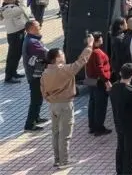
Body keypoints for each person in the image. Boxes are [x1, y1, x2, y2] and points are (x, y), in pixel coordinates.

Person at [40, 35, 93, 168]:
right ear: (57, 58)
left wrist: (51, 99)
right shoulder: (64, 70)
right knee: (65, 134)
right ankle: (64, 161)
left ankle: (57, 159)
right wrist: (89, 45)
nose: (64, 55)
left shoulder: (45, 72)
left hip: (53, 105)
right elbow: (81, 61)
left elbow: (43, 91)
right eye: (62, 54)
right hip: (65, 105)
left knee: (56, 133)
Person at [111, 62, 132, 175]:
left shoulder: (114, 87)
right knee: (129, 151)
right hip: (130, 125)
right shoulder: (131, 91)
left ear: (120, 73)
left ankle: (119, 170)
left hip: (118, 123)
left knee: (120, 147)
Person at [22, 19, 48, 131]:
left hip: (36, 73)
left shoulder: (32, 39)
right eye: (37, 25)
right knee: (35, 99)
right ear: (32, 28)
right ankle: (29, 124)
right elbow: (44, 53)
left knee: (39, 97)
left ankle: (36, 117)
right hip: (34, 75)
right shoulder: (32, 42)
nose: (40, 26)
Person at [0, 0, 29, 83]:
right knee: (12, 56)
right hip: (14, 35)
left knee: (17, 54)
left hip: (19, 32)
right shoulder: (6, 9)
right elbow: (22, 10)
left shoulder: (12, 5)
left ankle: (13, 72)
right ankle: (8, 77)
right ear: (8, 0)